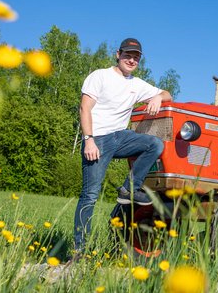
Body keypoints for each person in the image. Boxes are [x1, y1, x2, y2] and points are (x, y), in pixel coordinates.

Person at [74, 38, 172, 251]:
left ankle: (129, 189)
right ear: (118, 54)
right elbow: (85, 108)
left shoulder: (136, 84)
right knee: (90, 195)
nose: (131, 60)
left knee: (154, 144)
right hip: (98, 139)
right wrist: (88, 140)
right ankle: (79, 250)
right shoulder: (100, 76)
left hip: (120, 137)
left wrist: (156, 98)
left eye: (136, 57)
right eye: (128, 55)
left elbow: (168, 94)